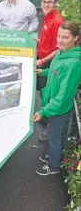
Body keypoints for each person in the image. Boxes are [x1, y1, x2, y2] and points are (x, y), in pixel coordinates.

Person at [32, 22, 81, 176]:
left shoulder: (73, 63)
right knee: (54, 134)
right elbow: (55, 71)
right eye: (59, 36)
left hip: (58, 108)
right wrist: (44, 72)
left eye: (65, 37)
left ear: (75, 38)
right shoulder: (62, 53)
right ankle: (53, 157)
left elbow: (63, 95)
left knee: (55, 137)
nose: (59, 40)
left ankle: (53, 167)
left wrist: (44, 110)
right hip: (53, 105)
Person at [36, 0, 64, 142]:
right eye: (44, 2)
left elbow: (58, 48)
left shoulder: (57, 21)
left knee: (50, 93)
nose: (46, 4)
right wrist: (40, 41)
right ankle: (44, 116)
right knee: (44, 92)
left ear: (55, 4)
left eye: (49, 2)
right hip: (42, 57)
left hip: (48, 61)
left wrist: (42, 60)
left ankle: (49, 126)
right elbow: (51, 41)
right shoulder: (47, 17)